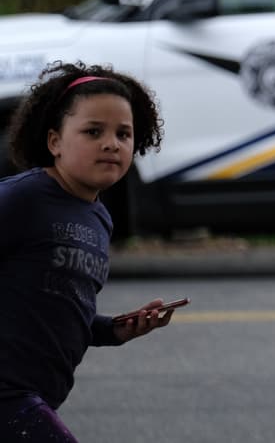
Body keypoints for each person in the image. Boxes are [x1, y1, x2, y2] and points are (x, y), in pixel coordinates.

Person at [1, 62, 182, 443]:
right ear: (55, 142)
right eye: (92, 131)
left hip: (40, 396)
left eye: (124, 133)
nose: (111, 143)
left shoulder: (99, 218)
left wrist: (115, 329)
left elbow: (60, 306)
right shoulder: (24, 198)